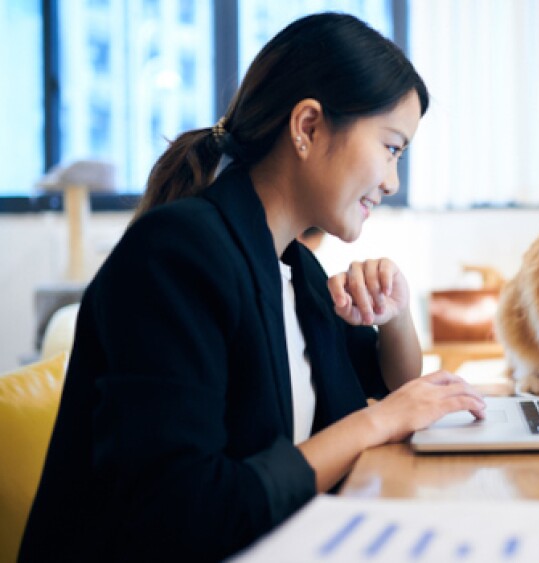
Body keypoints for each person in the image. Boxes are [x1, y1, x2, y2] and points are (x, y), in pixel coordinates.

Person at [19, 13, 485, 562]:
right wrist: (376, 421)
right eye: (391, 148)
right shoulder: (175, 255)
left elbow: (394, 391)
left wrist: (397, 317)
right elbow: (186, 514)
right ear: (308, 127)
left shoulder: (295, 268)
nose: (392, 181)